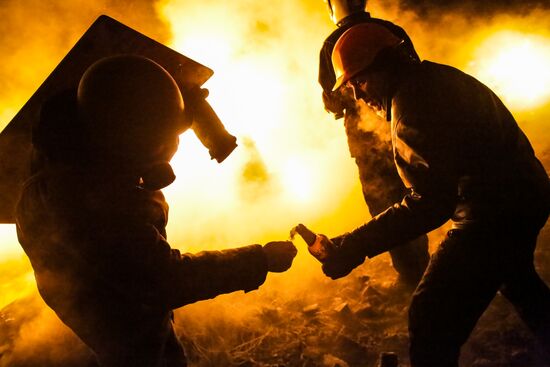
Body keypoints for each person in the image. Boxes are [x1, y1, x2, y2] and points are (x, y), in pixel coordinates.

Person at [15, 55, 298, 367]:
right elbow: (163, 279)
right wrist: (259, 259)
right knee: (144, 350)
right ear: (125, 147)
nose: (167, 153)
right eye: (157, 148)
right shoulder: (93, 204)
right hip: (110, 312)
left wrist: (178, 103)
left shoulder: (82, 117)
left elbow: (137, 100)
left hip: (94, 281)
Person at [309, 23, 550, 366]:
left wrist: (352, 246)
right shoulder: (435, 78)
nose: (358, 96)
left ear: (384, 65)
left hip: (492, 217)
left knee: (430, 316)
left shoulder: (413, 107)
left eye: (359, 81)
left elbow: (430, 204)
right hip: (525, 195)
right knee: (518, 280)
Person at [318, 0, 429, 285]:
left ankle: (411, 275)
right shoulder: (389, 29)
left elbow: (334, 104)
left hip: (369, 143)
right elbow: (414, 72)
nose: (357, 93)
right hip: (406, 131)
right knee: (414, 194)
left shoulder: (332, 45)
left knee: (388, 205)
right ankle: (421, 268)